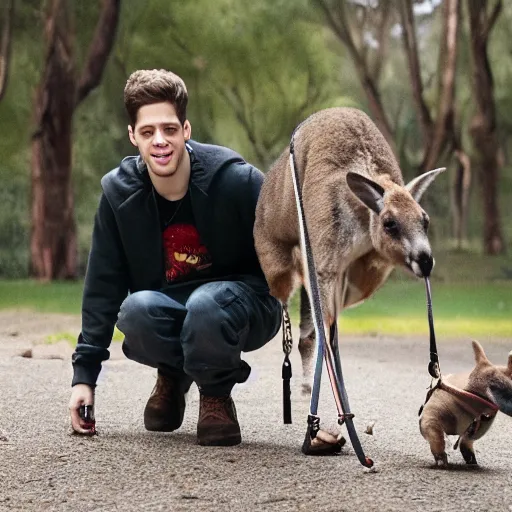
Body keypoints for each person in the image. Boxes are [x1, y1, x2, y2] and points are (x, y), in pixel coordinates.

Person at [69, 69, 282, 446]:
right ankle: (173, 372)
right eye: (148, 132)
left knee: (206, 304)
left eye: (169, 129)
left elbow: (287, 233)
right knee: (135, 311)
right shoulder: (119, 195)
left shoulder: (234, 179)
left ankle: (215, 394)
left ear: (186, 129)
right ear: (133, 135)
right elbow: (103, 286)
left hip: (244, 305)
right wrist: (84, 378)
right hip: (173, 305)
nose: (160, 141)